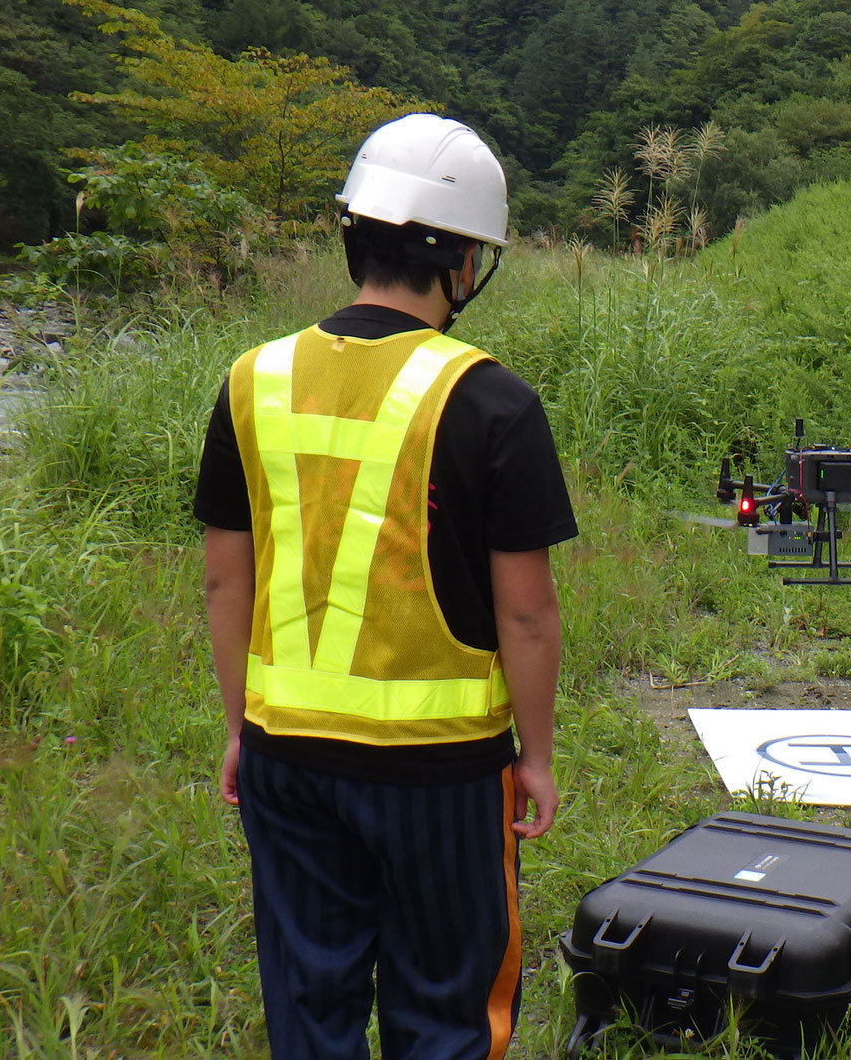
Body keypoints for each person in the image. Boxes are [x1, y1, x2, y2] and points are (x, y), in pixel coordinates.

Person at [195, 113, 578, 1059]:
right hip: (442, 769)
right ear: (458, 260)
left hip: (287, 757)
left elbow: (221, 579)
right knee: (449, 1010)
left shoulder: (254, 379)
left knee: (311, 998)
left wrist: (242, 726)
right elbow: (526, 612)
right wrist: (535, 755)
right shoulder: (494, 400)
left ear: (353, 232)